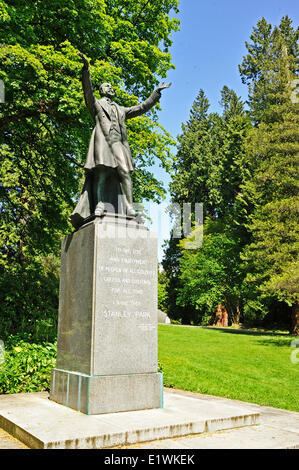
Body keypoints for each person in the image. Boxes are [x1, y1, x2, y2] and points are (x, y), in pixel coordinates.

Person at [69, 52, 171, 229]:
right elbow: (87, 91)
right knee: (102, 173)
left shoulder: (121, 109)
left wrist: (156, 93)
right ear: (102, 90)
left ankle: (129, 208)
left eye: (111, 87)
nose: (111, 88)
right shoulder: (96, 104)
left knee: (124, 172)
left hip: (119, 144)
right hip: (103, 143)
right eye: (107, 86)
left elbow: (141, 107)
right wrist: (86, 70)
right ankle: (100, 205)